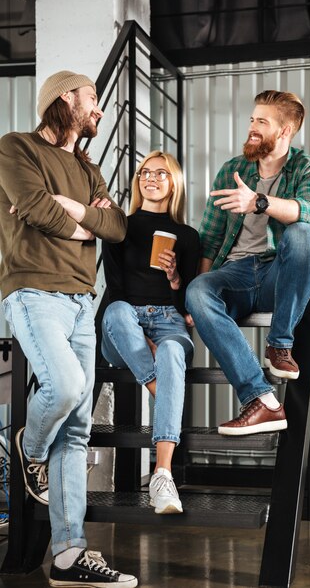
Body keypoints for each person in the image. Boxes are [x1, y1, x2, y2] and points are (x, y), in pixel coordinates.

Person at [0, 71, 138, 587]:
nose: (99, 107)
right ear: (66, 98)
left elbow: (118, 227)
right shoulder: (16, 147)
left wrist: (75, 211)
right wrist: (86, 225)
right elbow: (33, 207)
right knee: (65, 386)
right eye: (93, 97)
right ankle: (30, 449)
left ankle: (68, 554)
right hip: (35, 290)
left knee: (77, 430)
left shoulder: (88, 168)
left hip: (83, 301)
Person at [186, 90, 310, 436]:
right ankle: (261, 399)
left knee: (304, 234)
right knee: (198, 290)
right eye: (252, 119)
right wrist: (195, 301)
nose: (252, 127)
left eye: (261, 122)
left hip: (279, 272)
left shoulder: (307, 167)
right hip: (235, 273)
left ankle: (280, 344)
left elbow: (309, 211)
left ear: (285, 131)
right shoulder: (233, 169)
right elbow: (211, 237)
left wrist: (259, 202)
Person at [101, 150, 199, 515]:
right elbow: (115, 291)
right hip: (124, 328)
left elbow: (187, 302)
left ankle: (162, 474)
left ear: (174, 183)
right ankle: (162, 388)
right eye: (145, 172)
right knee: (117, 310)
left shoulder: (187, 236)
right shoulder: (120, 227)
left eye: (161, 173)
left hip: (169, 320)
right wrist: (142, 341)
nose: (151, 178)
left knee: (173, 352)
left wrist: (175, 279)